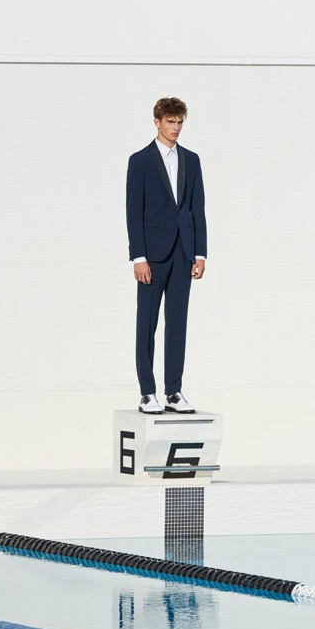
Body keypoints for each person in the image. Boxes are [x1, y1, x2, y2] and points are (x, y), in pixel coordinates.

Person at [126, 97, 207, 414]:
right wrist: (138, 257)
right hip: (152, 256)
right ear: (157, 122)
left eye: (179, 122)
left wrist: (200, 252)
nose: (176, 127)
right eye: (170, 122)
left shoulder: (192, 160)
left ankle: (174, 392)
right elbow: (133, 210)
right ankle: (148, 393)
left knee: (177, 324)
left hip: (183, 253)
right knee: (146, 325)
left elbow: (197, 208)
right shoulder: (140, 160)